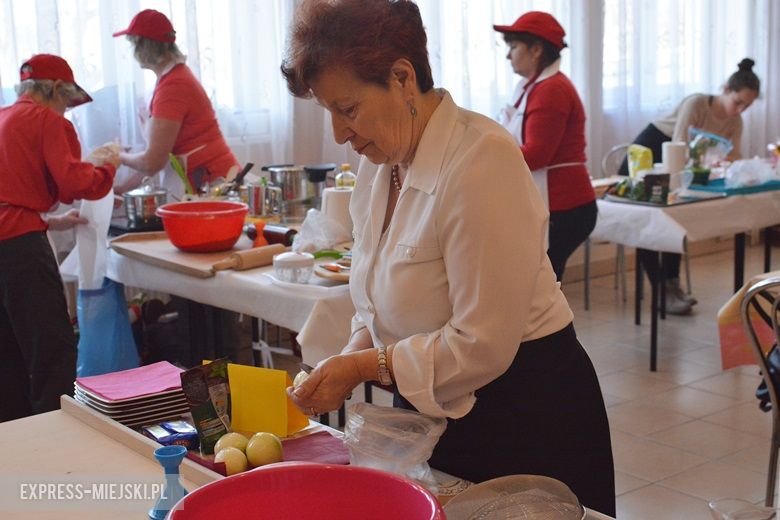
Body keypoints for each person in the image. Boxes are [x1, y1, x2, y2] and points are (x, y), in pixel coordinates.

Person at [281, 0, 615, 515]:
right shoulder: (382, 164)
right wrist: (347, 355)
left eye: (347, 109)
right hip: (442, 417)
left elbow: (482, 344)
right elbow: (376, 299)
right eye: (329, 112)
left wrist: (364, 366)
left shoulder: (481, 160)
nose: (339, 134)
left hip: (525, 412)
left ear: (401, 78)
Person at [0, 54, 119, 421]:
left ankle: (16, 441)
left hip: (10, 236)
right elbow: (75, 183)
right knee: (53, 348)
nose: (66, 112)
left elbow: (10, 194)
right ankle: (57, 432)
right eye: (67, 102)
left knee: (10, 352)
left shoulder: (4, 118)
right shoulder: (46, 121)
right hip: (20, 248)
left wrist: (49, 220)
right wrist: (106, 166)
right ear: (54, 90)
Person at [618, 59, 760, 315]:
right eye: (738, 102)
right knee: (644, 222)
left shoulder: (735, 122)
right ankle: (661, 289)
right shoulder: (697, 103)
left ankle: (672, 285)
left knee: (677, 220)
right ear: (726, 89)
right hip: (651, 150)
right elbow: (678, 143)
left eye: (747, 106)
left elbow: (735, 156)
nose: (740, 110)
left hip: (678, 163)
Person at [494, 12, 597, 281]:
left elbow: (537, 155)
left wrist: (484, 158)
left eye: (514, 47)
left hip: (565, 207)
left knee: (543, 294)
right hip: (559, 204)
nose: (508, 56)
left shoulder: (551, 90)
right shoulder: (532, 87)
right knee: (545, 294)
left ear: (537, 49)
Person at [112, 9, 240, 196]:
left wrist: (119, 157)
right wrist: (124, 188)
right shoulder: (172, 80)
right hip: (210, 182)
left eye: (134, 46)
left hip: (214, 185)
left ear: (144, 48)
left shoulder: (173, 87)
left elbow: (152, 162)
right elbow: (157, 156)